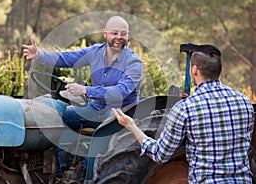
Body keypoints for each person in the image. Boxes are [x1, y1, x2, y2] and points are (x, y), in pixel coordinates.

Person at [112, 44, 254, 183]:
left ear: (194, 70)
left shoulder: (185, 108)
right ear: (219, 70)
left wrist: (132, 126)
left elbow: (160, 155)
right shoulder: (244, 102)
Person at [22, 15, 143, 131]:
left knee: (106, 129)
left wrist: (85, 90)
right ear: (105, 33)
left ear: (128, 35)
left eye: (123, 33)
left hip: (121, 113)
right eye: (114, 33)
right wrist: (39, 55)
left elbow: (119, 92)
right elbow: (66, 58)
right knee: (57, 118)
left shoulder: (133, 62)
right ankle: (60, 151)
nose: (119, 37)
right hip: (96, 108)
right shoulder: (95, 52)